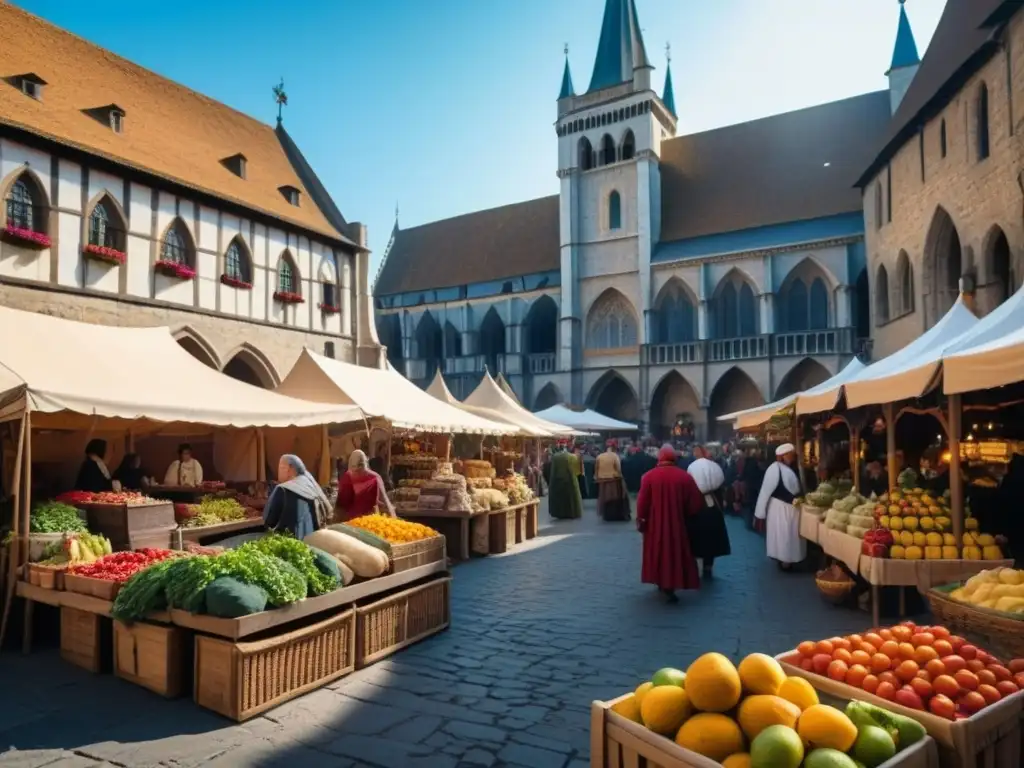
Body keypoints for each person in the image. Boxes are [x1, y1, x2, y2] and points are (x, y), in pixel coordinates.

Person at [636, 444, 704, 603]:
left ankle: (660, 580)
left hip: (655, 524)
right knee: (675, 553)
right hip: (678, 524)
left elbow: (642, 502)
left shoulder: (648, 477)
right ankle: (672, 583)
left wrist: (641, 519)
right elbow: (695, 503)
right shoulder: (685, 477)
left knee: (658, 552)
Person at [754, 443, 805, 571]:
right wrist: (760, 513)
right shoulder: (774, 469)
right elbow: (765, 491)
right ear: (782, 456)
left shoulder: (789, 468)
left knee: (790, 534)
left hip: (791, 508)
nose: (792, 457)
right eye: (789, 455)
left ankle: (789, 559)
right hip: (779, 508)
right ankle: (784, 561)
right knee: (783, 535)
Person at [686, 445, 731, 578]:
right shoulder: (715, 466)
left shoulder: (692, 467)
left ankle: (695, 561)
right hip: (713, 506)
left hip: (697, 505)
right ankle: (708, 565)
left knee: (695, 536)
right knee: (712, 536)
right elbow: (721, 483)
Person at [263, 454, 332, 539]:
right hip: (312, 539)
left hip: (288, 542)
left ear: (289, 469)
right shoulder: (310, 483)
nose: (278, 472)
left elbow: (268, 520)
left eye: (281, 467)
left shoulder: (283, 489)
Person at [335, 449, 395, 521]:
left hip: (370, 521)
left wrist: (393, 521)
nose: (358, 471)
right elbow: (340, 506)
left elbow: (385, 502)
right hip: (353, 522)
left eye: (360, 466)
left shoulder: (374, 478)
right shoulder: (347, 478)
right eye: (356, 468)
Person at [595, 442, 631, 521]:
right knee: (618, 497)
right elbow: (618, 469)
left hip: (602, 480)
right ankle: (617, 514)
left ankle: (606, 514)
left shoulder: (599, 456)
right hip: (614, 479)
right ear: (614, 448)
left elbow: (596, 469)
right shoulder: (615, 456)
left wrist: (597, 478)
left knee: (604, 498)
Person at [548, 448, 583, 519]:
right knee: (571, 498)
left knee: (561, 498)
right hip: (571, 480)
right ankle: (571, 513)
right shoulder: (573, 457)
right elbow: (578, 472)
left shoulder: (555, 457)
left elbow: (553, 471)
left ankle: (561, 513)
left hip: (558, 480)